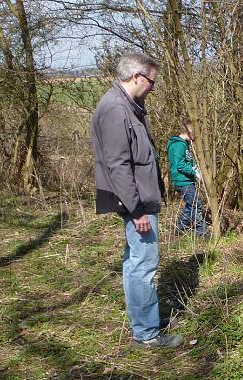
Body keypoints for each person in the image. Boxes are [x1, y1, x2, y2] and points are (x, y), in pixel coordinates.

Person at [91, 52, 183, 348]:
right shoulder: (116, 109)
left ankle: (143, 327)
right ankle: (146, 334)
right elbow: (118, 165)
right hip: (137, 203)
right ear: (137, 77)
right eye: (152, 81)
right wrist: (137, 210)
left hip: (139, 199)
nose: (153, 88)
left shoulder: (128, 106)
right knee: (144, 264)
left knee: (135, 262)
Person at [167, 120, 208, 236]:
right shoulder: (178, 145)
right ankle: (200, 231)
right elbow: (179, 165)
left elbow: (186, 161)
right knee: (195, 204)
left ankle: (180, 228)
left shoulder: (185, 144)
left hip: (187, 179)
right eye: (196, 134)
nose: (196, 138)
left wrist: (193, 167)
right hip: (182, 180)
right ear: (189, 132)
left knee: (191, 204)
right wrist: (194, 173)